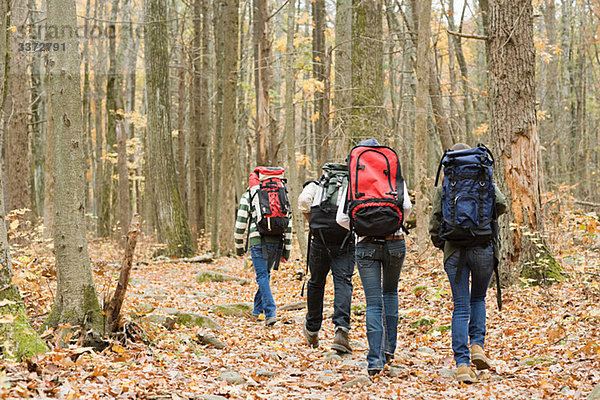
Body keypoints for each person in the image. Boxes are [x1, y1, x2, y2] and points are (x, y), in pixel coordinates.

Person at [429, 143, 507, 383]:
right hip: (483, 248)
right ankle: (477, 346)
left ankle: (462, 364)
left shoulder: (446, 184)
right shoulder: (482, 176)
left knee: (461, 306)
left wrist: (444, 244)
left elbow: (434, 223)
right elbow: (501, 204)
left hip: (454, 252)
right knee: (478, 298)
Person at [337, 138, 412, 376]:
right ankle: (389, 350)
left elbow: (341, 218)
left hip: (365, 244)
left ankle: (374, 361)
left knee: (373, 302)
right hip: (395, 242)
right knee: (390, 293)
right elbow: (406, 207)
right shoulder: (393, 176)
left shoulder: (353, 180)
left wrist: (362, 226)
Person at [298, 163, 354, 353]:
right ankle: (341, 330)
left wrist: (314, 224)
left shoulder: (316, 185)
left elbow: (303, 202)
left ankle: (312, 329)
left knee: (316, 282)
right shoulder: (352, 186)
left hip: (320, 241)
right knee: (343, 282)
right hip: (346, 241)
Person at [234, 168, 293, 327]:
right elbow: (289, 224)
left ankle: (270, 312)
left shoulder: (251, 194)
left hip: (257, 240)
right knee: (264, 275)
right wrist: (286, 250)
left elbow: (240, 224)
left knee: (261, 276)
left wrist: (239, 248)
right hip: (276, 240)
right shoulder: (282, 192)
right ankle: (256, 311)